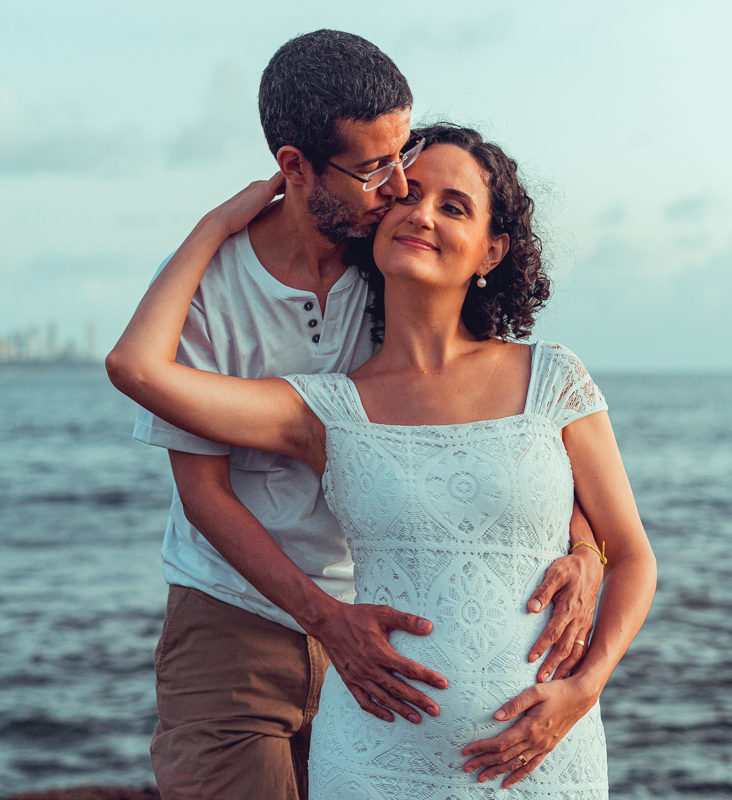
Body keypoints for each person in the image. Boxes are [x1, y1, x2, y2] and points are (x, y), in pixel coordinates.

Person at [108, 124, 657, 798]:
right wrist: (218, 224)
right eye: (409, 195)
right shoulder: (328, 409)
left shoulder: (552, 379)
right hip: (371, 755)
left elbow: (629, 552)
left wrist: (584, 685)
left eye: (453, 206)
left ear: (492, 250)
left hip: (542, 758)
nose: (421, 213)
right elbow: (136, 367)